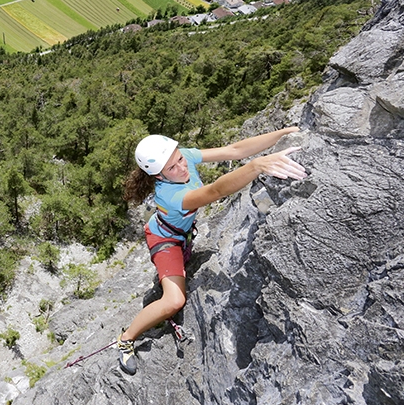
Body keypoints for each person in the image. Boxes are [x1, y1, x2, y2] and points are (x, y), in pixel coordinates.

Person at [117, 127, 306, 375]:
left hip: (179, 232)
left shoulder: (181, 157)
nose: (182, 167)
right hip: (165, 240)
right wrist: (256, 166)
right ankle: (126, 338)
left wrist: (283, 133)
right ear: (158, 177)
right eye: (172, 168)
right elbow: (215, 191)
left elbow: (234, 150)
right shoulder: (171, 196)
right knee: (174, 301)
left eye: (180, 159)